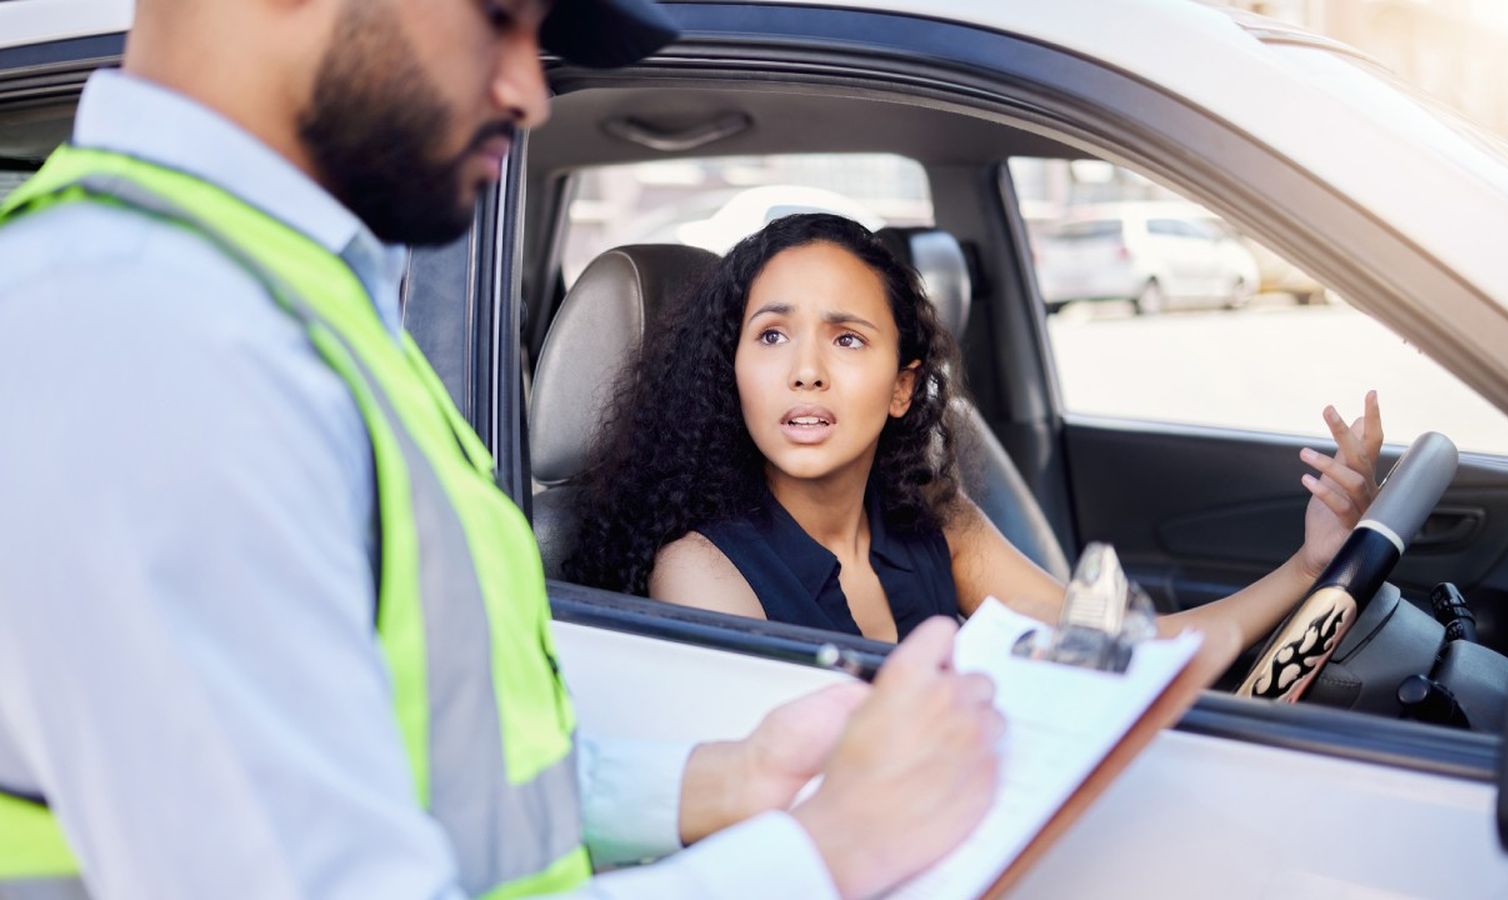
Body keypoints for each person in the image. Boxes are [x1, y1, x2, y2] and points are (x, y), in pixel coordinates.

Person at [0, 3, 1005, 899]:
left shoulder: (279, 312)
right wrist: (830, 849)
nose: (528, 93)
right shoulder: (145, 337)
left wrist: (730, 778)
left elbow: (425, 776)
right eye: (496, 19)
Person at [568, 213, 1384, 649]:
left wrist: (1310, 565)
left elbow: (1125, 646)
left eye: (847, 338)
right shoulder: (701, 571)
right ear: (732, 369)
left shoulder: (936, 523)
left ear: (901, 388)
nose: (805, 370)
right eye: (772, 335)